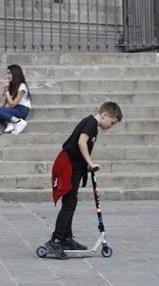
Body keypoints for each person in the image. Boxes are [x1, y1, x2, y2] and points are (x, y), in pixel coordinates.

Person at [47, 101, 123, 258]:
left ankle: (66, 238)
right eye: (112, 122)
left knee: (71, 202)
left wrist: (87, 165)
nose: (111, 126)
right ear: (105, 115)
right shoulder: (91, 123)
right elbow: (81, 142)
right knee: (69, 204)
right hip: (68, 165)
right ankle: (55, 240)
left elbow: (82, 146)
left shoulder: (93, 126)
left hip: (74, 166)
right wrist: (90, 163)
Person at [0, 64, 32, 135]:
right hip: (13, 110)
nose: (7, 76)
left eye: (9, 73)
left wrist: (6, 91)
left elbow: (12, 104)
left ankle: (17, 122)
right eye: (7, 74)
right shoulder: (11, 86)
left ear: (15, 74)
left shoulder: (22, 86)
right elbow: (2, 105)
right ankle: (10, 122)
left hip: (21, 111)